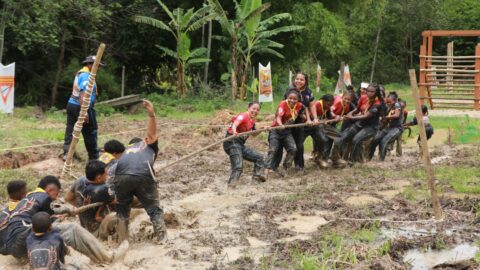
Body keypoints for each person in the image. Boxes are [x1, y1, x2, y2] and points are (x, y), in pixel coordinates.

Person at [114, 100, 166, 243]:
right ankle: (162, 238)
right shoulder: (147, 144)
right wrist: (151, 115)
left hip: (120, 176)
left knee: (122, 210)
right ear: (144, 141)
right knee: (154, 209)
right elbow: (152, 133)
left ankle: (122, 241)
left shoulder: (127, 151)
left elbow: (113, 170)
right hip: (142, 175)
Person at [62, 55, 105, 161]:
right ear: (90, 65)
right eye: (97, 66)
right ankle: (94, 157)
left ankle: (67, 153)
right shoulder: (86, 76)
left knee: (71, 129)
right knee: (90, 131)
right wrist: (84, 111)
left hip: (72, 104)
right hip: (81, 106)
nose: (98, 68)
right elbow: (83, 94)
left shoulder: (82, 73)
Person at [335, 84, 384, 166]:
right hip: (360, 123)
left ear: (376, 93)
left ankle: (351, 162)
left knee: (356, 140)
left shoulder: (377, 103)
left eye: (372, 92)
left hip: (371, 127)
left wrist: (351, 118)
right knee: (343, 136)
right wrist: (349, 114)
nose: (369, 93)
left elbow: (366, 116)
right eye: (368, 91)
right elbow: (357, 110)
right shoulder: (363, 98)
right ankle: (336, 158)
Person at [64, 160, 114, 236]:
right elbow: (117, 201)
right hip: (97, 230)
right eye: (106, 174)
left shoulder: (80, 180)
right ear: (99, 178)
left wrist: (82, 207)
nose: (108, 176)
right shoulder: (102, 189)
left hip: (85, 227)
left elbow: (67, 198)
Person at [223, 102, 266, 186]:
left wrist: (262, 129)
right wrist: (235, 131)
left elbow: (253, 134)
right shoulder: (243, 116)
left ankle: (255, 180)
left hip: (240, 145)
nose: (255, 111)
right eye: (253, 108)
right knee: (238, 166)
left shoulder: (252, 121)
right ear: (248, 108)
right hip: (232, 142)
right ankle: (231, 186)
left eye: (257, 110)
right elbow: (235, 124)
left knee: (259, 158)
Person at [265, 90, 303, 176]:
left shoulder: (299, 105)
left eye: (295, 99)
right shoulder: (282, 104)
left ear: (298, 100)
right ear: (287, 98)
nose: (292, 100)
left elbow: (306, 109)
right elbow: (278, 117)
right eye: (290, 98)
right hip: (276, 130)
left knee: (293, 149)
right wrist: (281, 124)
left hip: (287, 132)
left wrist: (308, 119)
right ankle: (266, 170)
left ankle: (285, 168)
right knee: (273, 150)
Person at [283, 72, 313, 171]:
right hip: (289, 121)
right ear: (294, 79)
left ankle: (299, 166)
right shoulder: (290, 89)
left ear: (305, 81)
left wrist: (308, 118)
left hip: (300, 121)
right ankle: (282, 166)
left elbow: (307, 107)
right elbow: (284, 105)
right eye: (297, 79)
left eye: (301, 79)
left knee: (299, 143)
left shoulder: (308, 91)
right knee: (288, 144)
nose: (299, 81)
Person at [368, 92, 403, 161]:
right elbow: (384, 119)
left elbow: (396, 115)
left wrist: (386, 117)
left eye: (390, 102)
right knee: (375, 140)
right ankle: (368, 157)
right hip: (388, 128)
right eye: (387, 102)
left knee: (384, 141)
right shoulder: (389, 107)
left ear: (395, 100)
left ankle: (381, 159)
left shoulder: (397, 105)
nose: (388, 103)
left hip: (397, 128)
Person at [0, 180, 27, 255]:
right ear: (22, 194)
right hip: (16, 249)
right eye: (25, 192)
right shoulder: (24, 210)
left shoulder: (3, 212)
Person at [308, 94, 335, 168]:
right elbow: (311, 116)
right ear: (323, 101)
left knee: (323, 140)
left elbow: (328, 116)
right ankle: (315, 155)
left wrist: (333, 117)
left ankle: (319, 157)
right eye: (329, 104)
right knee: (321, 139)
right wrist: (321, 120)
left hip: (317, 125)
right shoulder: (317, 105)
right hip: (308, 125)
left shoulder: (327, 106)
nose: (329, 106)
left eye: (331, 105)